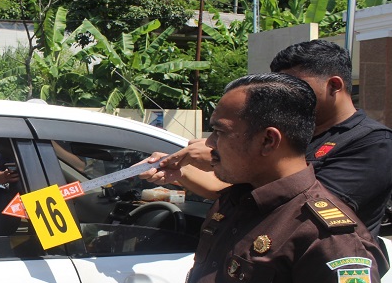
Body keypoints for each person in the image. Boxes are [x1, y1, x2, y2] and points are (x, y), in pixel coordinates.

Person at [166, 72, 387, 283]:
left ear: (268, 140)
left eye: (220, 132)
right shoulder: (237, 200)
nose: (210, 145)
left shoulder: (326, 236)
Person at [142, 39, 392, 237]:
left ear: (334, 86)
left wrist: (222, 156)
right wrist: (180, 171)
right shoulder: (297, 135)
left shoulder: (374, 144)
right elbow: (233, 190)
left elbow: (302, 207)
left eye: (296, 87)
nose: (284, 98)